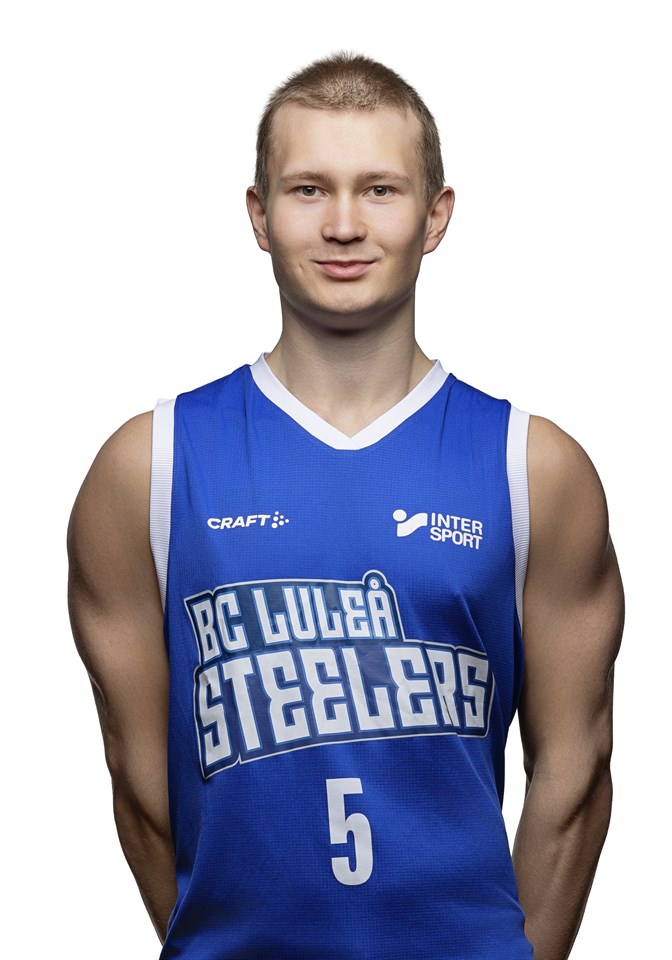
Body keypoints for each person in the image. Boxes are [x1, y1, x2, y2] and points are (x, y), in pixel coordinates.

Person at [68, 52, 624, 960]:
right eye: (307, 190)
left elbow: (577, 773)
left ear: (435, 215)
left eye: (379, 190)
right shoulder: (148, 468)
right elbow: (139, 785)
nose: (342, 225)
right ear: (259, 215)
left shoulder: (536, 468)